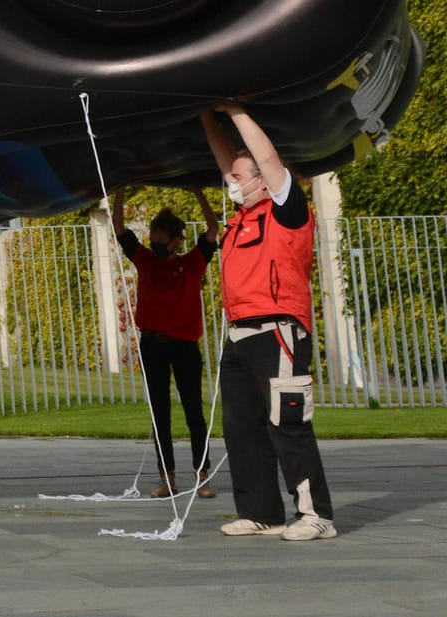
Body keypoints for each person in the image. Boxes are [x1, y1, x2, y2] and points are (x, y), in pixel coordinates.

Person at [202, 104, 336, 541]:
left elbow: (270, 160)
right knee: (241, 427)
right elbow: (229, 161)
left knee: (288, 423)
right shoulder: (241, 219)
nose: (233, 183)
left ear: (264, 179)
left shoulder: (287, 212)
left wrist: (235, 110)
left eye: (241, 178)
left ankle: (316, 516)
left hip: (278, 331)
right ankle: (261, 511)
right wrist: (205, 117)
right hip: (239, 334)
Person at [111, 187, 220, 499]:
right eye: (152, 241)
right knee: (159, 412)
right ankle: (167, 478)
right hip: (153, 344)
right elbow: (120, 229)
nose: (154, 246)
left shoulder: (193, 263)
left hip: (184, 345)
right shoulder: (146, 261)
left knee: (193, 412)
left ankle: (203, 475)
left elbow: (212, 230)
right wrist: (119, 189)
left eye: (161, 241)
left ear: (175, 241)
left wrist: (198, 193)